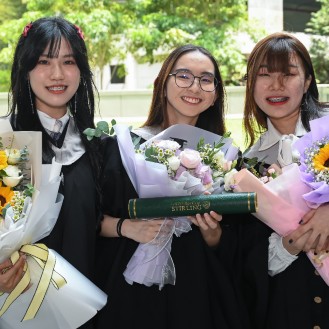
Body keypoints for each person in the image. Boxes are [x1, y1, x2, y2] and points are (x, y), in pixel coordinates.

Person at [94, 44, 250, 329]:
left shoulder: (227, 159)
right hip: (130, 291)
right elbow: (90, 219)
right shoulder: (122, 148)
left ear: (215, 95)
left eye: (206, 79)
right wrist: (126, 227)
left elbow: (236, 243)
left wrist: (212, 233)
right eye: (183, 75)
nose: (195, 86)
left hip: (198, 291)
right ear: (162, 83)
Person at [2, 17, 102, 328]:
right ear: (26, 68)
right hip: (18, 301)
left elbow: (102, 221)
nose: (57, 74)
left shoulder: (99, 146)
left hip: (87, 302)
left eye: (68, 62)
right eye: (44, 61)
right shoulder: (8, 140)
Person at [243, 32, 329, 329]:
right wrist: (289, 245)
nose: (276, 85)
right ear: (250, 84)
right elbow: (245, 260)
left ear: (306, 82)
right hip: (288, 311)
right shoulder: (246, 167)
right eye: (264, 75)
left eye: (289, 74)